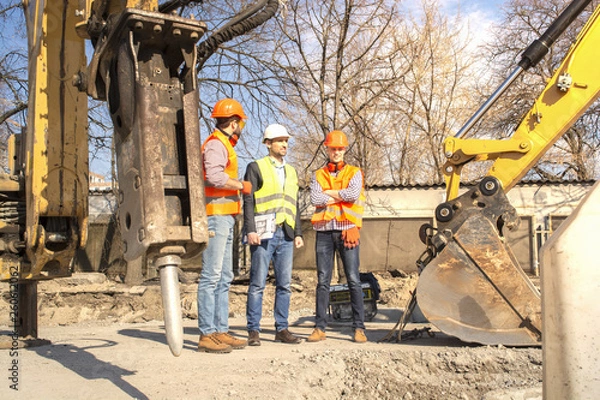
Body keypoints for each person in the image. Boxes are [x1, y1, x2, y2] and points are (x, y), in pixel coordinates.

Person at [197, 98, 252, 353]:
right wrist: (241, 185)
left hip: (225, 217)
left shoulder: (223, 144)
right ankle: (207, 334)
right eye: (240, 122)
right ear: (233, 122)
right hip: (215, 216)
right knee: (211, 276)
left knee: (224, 276)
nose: (242, 127)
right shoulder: (216, 145)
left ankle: (220, 330)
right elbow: (215, 177)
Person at [243, 124, 305, 346]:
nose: (284, 144)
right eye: (279, 141)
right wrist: (250, 229)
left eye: (286, 141)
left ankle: (282, 329)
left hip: (286, 234)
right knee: (257, 283)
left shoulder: (292, 171)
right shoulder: (256, 167)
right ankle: (253, 330)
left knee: (284, 285)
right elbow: (248, 200)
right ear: (268, 143)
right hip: (262, 234)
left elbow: (293, 204)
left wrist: (297, 232)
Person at [307, 130, 368, 343]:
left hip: (347, 230)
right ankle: (319, 327)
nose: (337, 152)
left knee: (353, 279)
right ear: (327, 149)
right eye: (333, 148)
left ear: (345, 149)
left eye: (340, 148)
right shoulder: (318, 174)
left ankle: (359, 328)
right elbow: (315, 198)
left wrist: (329, 194)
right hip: (324, 231)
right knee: (323, 280)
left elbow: (353, 195)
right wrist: (339, 196)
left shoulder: (355, 172)